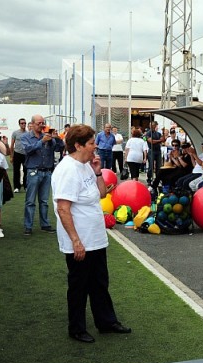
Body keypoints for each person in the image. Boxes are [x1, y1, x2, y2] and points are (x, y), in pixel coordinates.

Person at [52, 125, 130, 344]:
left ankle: (106, 322)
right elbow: (63, 209)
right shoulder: (67, 169)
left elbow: (102, 194)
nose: (95, 146)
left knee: (99, 282)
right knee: (79, 286)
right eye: (91, 143)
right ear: (77, 145)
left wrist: (97, 171)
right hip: (81, 240)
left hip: (95, 237)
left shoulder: (86, 165)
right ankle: (76, 328)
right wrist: (76, 241)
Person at [21, 115, 64, 236]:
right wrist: (42, 141)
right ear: (33, 124)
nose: (42, 125)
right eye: (39, 123)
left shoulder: (48, 136)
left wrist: (57, 138)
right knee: (30, 201)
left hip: (47, 171)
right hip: (33, 171)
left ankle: (45, 224)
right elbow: (28, 150)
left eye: (43, 123)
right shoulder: (26, 137)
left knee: (44, 201)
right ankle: (28, 226)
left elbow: (59, 148)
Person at [9, 118, 27, 192]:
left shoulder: (28, 133)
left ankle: (26, 186)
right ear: (19, 124)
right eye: (22, 123)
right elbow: (12, 144)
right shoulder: (15, 133)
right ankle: (17, 187)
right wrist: (11, 156)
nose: (23, 124)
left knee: (26, 170)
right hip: (17, 153)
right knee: (16, 171)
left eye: (24, 123)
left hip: (25, 154)